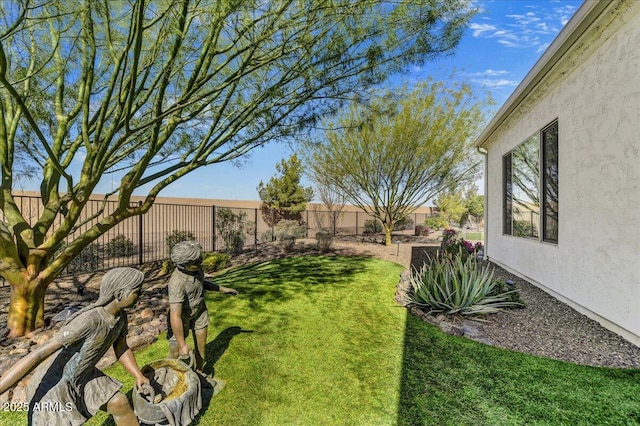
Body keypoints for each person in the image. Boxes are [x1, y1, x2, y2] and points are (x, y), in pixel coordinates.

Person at [0, 267, 152, 426]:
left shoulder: (120, 318)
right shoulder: (89, 320)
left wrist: (138, 375)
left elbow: (121, 346)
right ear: (120, 294)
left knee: (119, 403)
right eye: (137, 292)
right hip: (55, 383)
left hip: (84, 375)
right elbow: (38, 354)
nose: (140, 296)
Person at [167, 241, 238, 388]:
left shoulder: (196, 270)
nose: (200, 263)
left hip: (199, 312)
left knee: (201, 345)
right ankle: (169, 378)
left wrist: (223, 289)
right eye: (195, 262)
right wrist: (182, 344)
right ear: (182, 265)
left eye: (200, 259)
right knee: (175, 351)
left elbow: (202, 283)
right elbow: (175, 315)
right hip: (182, 318)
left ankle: (199, 373)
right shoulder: (177, 283)